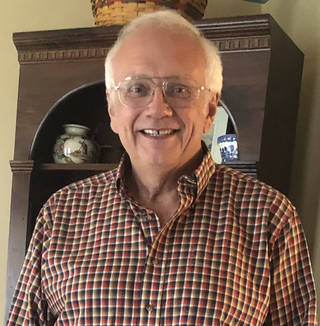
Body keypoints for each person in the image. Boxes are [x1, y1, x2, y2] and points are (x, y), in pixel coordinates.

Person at [7, 9, 317, 326]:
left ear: (211, 108)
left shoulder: (270, 218)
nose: (158, 109)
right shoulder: (61, 213)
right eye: (137, 89)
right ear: (113, 107)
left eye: (179, 89)